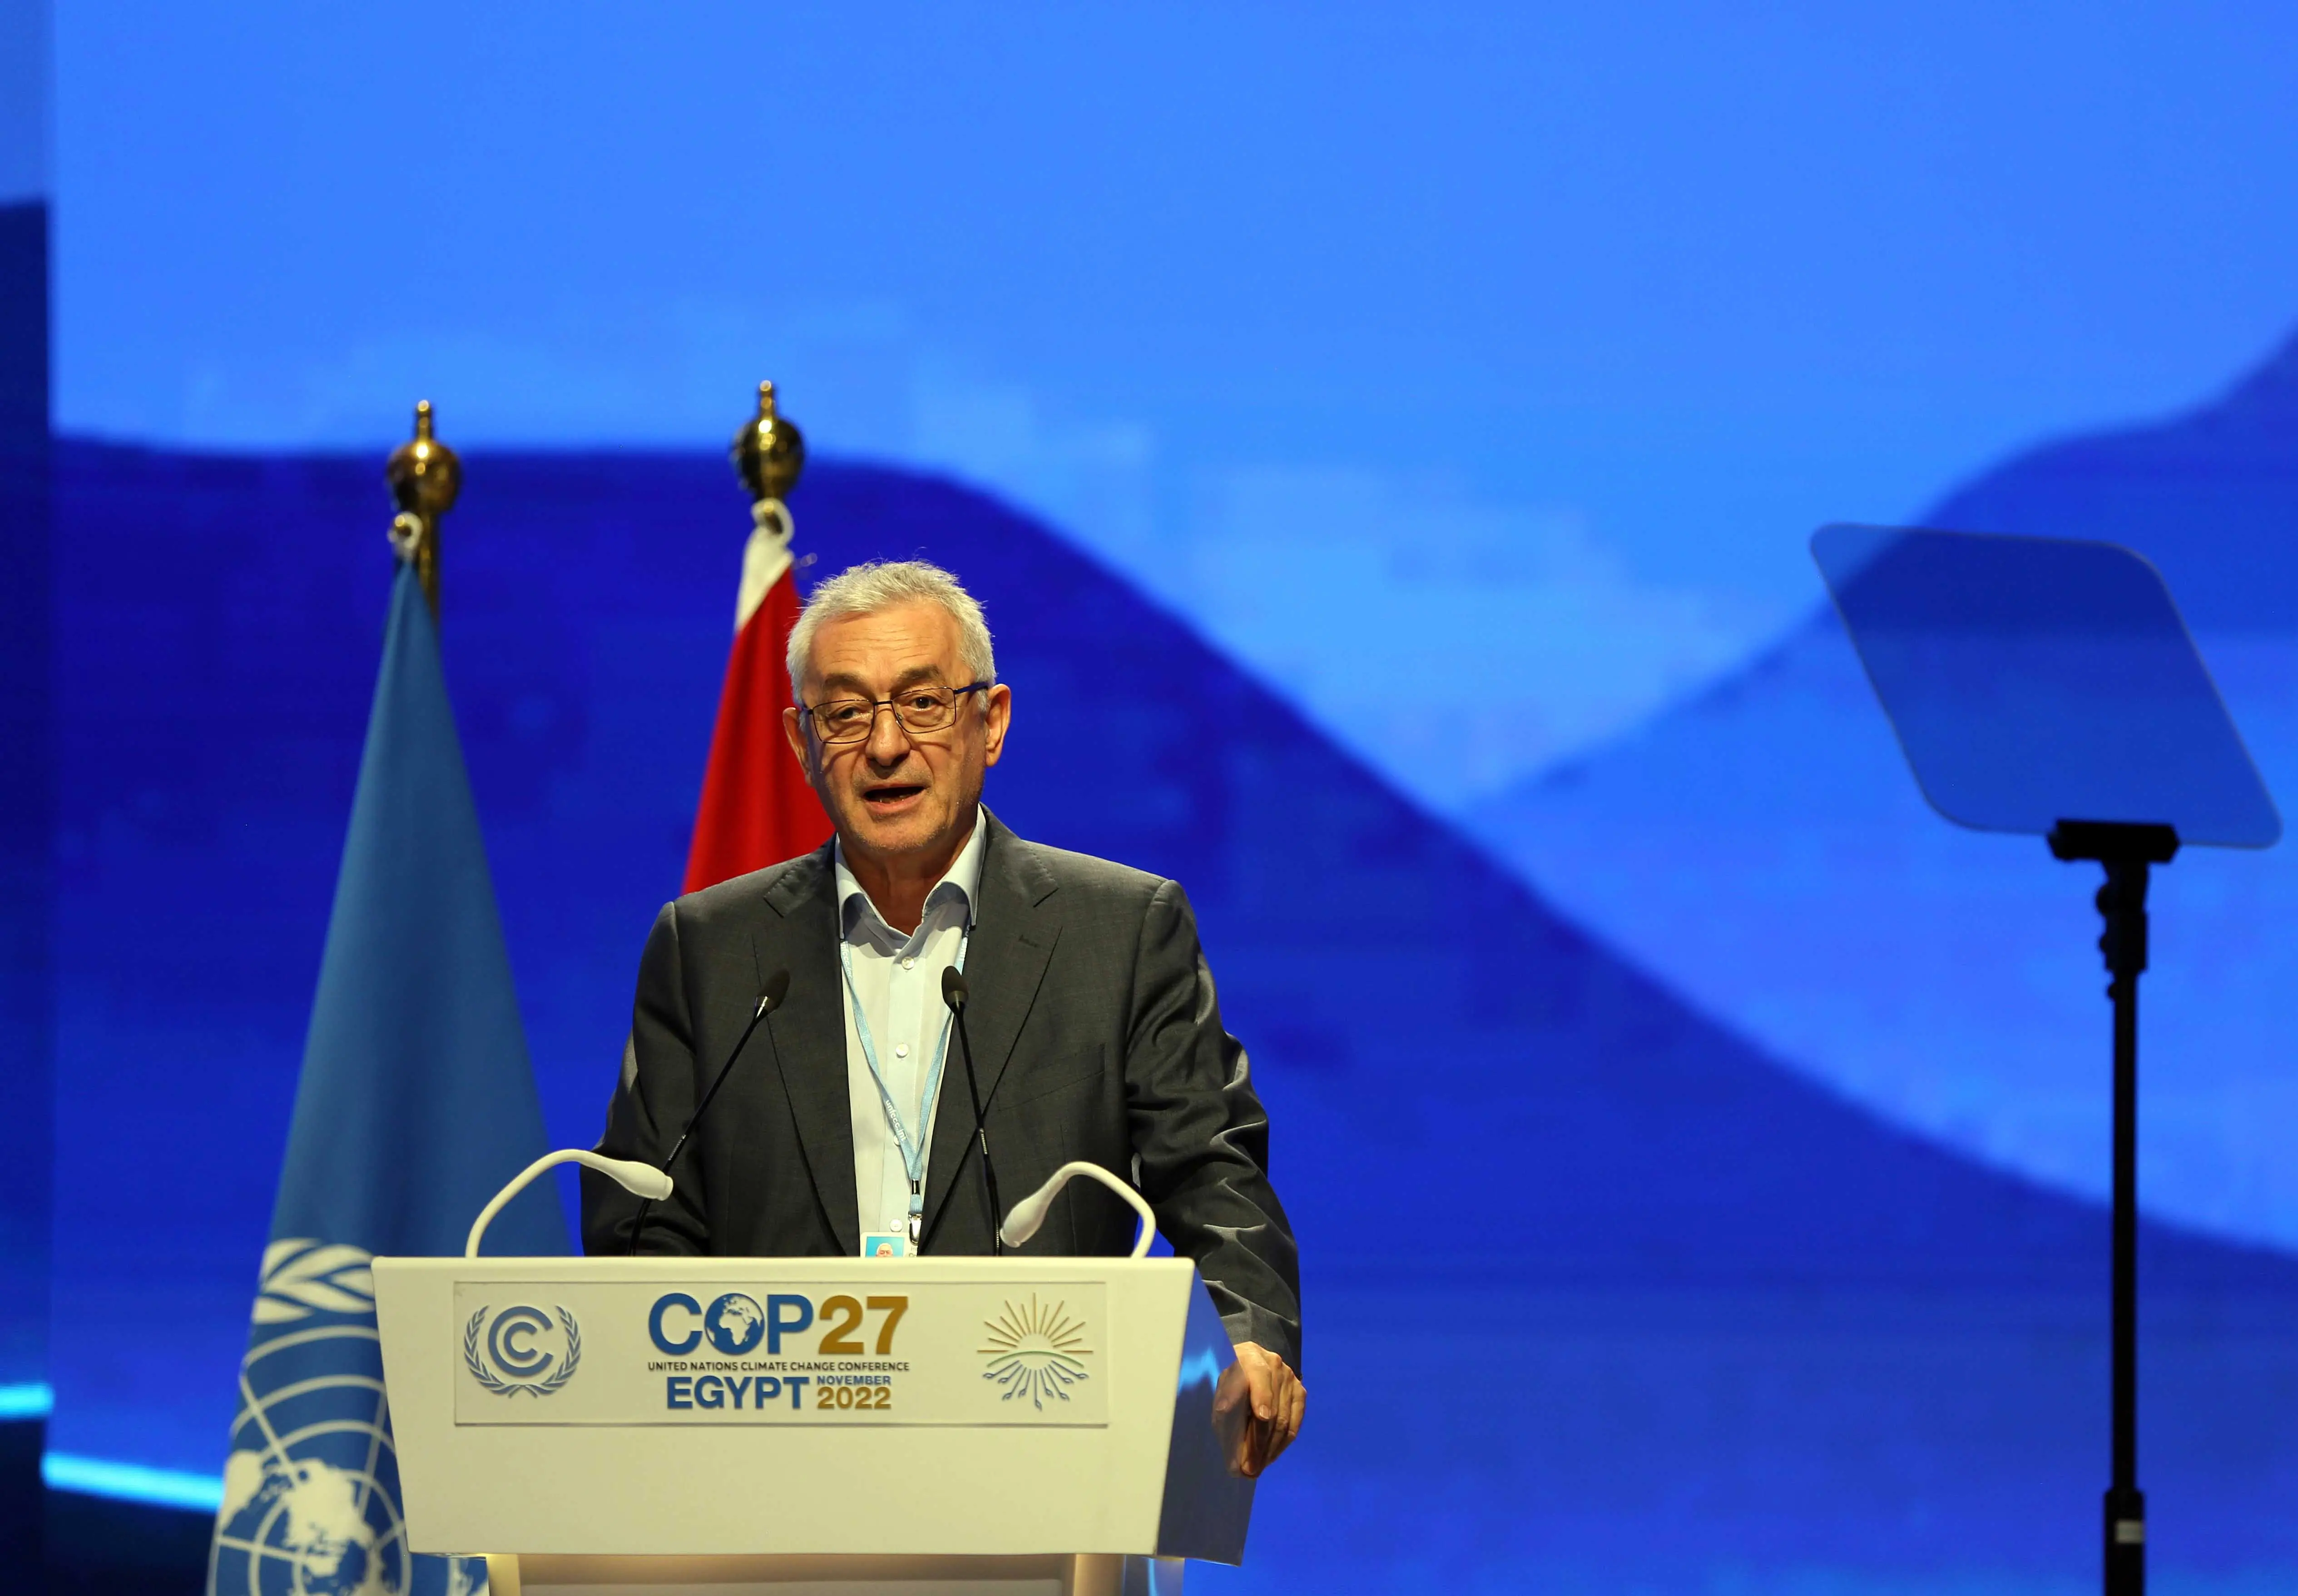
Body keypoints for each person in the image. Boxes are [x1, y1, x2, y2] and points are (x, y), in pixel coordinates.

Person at [583, 560, 1304, 1474]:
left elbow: (1212, 1174)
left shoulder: (1119, 930)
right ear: (801, 744)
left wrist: (1247, 1335)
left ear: (990, 722)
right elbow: (643, 1226)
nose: (884, 745)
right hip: (772, 1483)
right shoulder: (708, 950)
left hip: (1046, 1466)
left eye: (922, 703)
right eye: (844, 713)